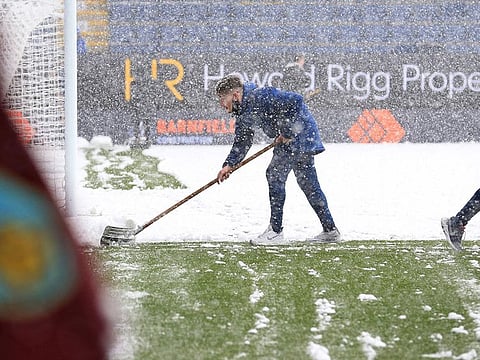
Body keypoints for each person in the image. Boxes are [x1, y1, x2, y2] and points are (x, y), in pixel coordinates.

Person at [215, 74, 340, 245]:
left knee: (274, 175)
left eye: (223, 99)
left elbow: (296, 100)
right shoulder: (243, 113)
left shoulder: (260, 96)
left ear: (235, 95)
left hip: (300, 135)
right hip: (295, 139)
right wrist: (229, 164)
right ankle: (330, 230)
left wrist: (288, 131)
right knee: (308, 183)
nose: (222, 104)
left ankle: (275, 231)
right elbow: (242, 142)